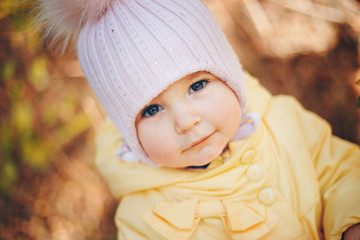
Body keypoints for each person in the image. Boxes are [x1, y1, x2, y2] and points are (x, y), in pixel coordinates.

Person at [36, 0, 360, 239]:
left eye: (198, 85)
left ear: (230, 77)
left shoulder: (284, 120)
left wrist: (350, 223)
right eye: (151, 110)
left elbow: (340, 171)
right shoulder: (143, 222)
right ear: (130, 135)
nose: (186, 121)